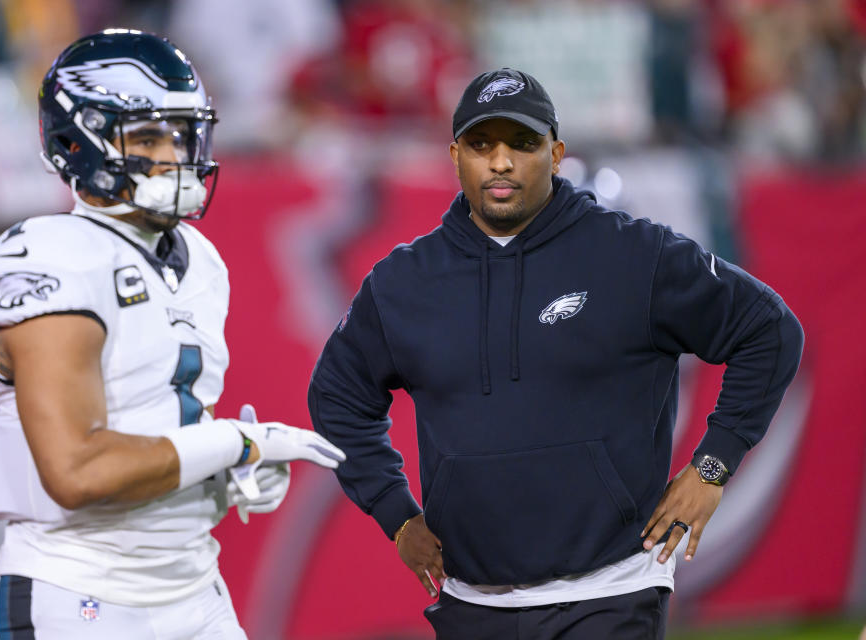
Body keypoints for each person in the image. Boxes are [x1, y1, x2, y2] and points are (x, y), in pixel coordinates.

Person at [307, 67, 804, 639]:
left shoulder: (633, 254)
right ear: (454, 154)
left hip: (610, 592)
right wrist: (395, 515)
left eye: (522, 143)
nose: (500, 162)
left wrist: (713, 466)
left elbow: (769, 329)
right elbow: (337, 396)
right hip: (472, 600)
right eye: (481, 144)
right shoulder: (403, 282)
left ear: (557, 152)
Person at [0, 29, 344, 640]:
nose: (175, 155)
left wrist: (224, 481)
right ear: (76, 142)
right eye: (148, 137)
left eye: (182, 134)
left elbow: (154, 430)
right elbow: (78, 472)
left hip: (194, 588)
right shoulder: (49, 255)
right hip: (78, 594)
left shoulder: (199, 257)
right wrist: (234, 443)